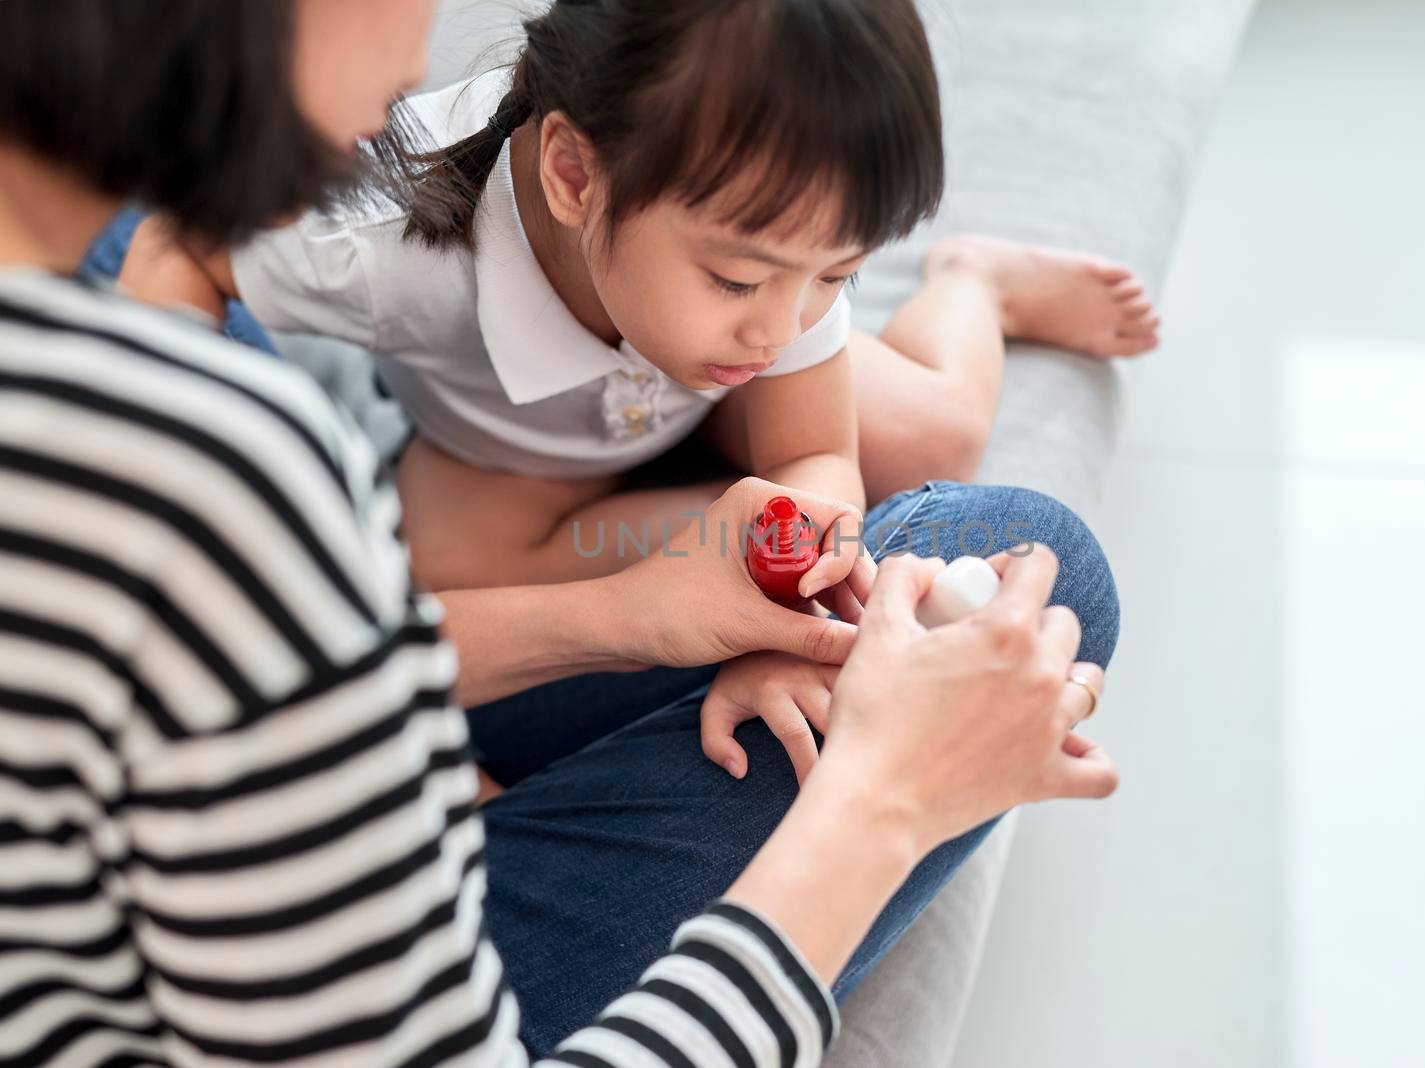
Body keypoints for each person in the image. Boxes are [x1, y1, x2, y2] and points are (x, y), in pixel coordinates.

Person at [0, 3, 1121, 1067]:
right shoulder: (333, 313)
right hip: (510, 461)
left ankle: (970, 281)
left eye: (833, 278)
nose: (410, 69)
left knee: (930, 437)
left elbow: (807, 465)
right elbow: (193, 264)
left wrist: (797, 605)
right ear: (574, 175)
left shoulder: (766, 248)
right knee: (1021, 560)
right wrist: (882, 798)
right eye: (744, 274)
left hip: (674, 399)